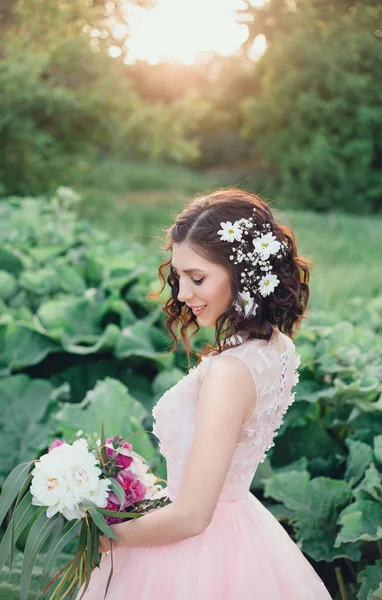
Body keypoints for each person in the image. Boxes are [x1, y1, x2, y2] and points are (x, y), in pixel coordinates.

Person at [79, 189, 333, 599]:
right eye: (178, 276)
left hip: (196, 549)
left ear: (243, 274)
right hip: (243, 530)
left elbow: (193, 515)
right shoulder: (276, 349)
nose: (181, 293)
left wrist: (110, 534)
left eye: (198, 278)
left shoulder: (230, 373)